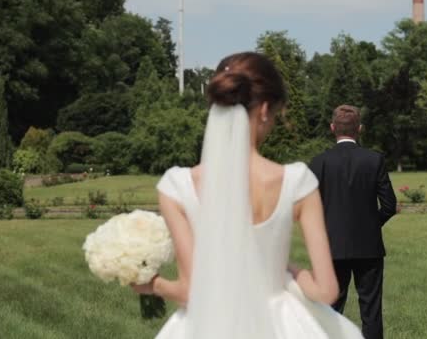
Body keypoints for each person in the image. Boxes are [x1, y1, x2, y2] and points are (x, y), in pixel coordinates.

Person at [131, 52, 363, 338]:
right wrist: (290, 271)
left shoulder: (177, 187)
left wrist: (151, 284)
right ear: (265, 109)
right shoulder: (297, 182)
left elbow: (189, 292)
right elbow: (327, 291)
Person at [309, 105, 397, 339]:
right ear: (359, 129)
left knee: (331, 309)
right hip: (369, 247)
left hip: (332, 247)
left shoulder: (319, 163)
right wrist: (368, 226)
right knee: (371, 310)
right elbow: (389, 205)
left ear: (332, 128)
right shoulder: (374, 159)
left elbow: (310, 208)